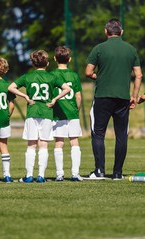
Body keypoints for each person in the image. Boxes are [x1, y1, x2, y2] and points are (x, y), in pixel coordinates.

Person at [85, 18, 143, 180]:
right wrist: (134, 96)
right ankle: (118, 173)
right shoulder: (131, 50)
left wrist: (100, 76)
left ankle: (99, 171)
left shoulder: (99, 48)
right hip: (123, 98)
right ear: (121, 32)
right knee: (121, 135)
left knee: (98, 133)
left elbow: (88, 72)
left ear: (106, 31)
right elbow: (138, 75)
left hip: (102, 96)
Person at [8, 50, 71, 183]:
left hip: (32, 112)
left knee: (31, 145)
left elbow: (11, 87)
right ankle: (41, 175)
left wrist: (25, 96)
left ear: (33, 63)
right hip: (47, 113)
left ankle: (29, 175)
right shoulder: (52, 77)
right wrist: (54, 99)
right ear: (47, 63)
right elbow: (67, 89)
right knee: (43, 145)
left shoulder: (28, 77)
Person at [51, 46, 83, 182]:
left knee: (59, 142)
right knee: (74, 142)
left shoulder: (51, 75)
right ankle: (75, 174)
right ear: (69, 59)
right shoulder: (74, 75)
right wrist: (77, 110)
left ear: (54, 59)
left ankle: (59, 174)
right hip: (72, 113)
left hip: (57, 113)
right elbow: (79, 96)